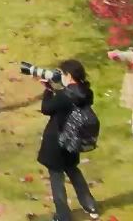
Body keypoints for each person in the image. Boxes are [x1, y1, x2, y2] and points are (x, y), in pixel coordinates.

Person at [38, 60, 101, 221]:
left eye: (62, 74)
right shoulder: (86, 92)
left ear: (69, 76)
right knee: (74, 172)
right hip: (74, 141)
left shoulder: (63, 96)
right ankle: (90, 205)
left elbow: (46, 109)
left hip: (57, 142)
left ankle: (63, 215)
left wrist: (47, 90)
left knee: (57, 179)